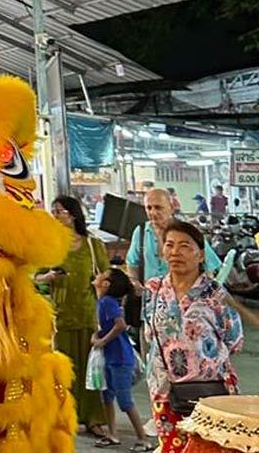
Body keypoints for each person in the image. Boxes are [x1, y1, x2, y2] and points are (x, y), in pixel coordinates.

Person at [145, 221, 244, 452]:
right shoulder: (153, 289)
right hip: (165, 390)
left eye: (184, 246)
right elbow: (150, 333)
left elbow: (234, 340)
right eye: (169, 245)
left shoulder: (215, 293)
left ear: (200, 255)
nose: (175, 252)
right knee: (173, 448)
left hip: (212, 391)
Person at [34, 194, 109, 438]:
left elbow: (106, 276)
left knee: (91, 369)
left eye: (59, 211)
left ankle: (94, 419)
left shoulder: (92, 245)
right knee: (63, 370)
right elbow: (34, 276)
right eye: (53, 211)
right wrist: (48, 278)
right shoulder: (50, 245)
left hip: (88, 314)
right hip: (61, 315)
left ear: (73, 215)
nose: (55, 216)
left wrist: (99, 284)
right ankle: (64, 419)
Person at [126, 188, 223, 345]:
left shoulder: (187, 233)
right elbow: (132, 263)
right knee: (153, 358)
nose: (152, 212)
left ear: (171, 207)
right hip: (152, 309)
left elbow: (210, 267)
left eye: (158, 207)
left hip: (186, 311)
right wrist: (134, 282)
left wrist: (206, 301)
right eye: (148, 208)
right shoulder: (141, 232)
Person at [90, 267, 155, 451]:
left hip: (119, 358)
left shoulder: (107, 302)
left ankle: (143, 439)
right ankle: (112, 434)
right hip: (112, 357)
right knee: (107, 396)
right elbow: (107, 326)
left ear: (106, 284)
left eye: (101, 275)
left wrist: (102, 340)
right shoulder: (104, 301)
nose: (97, 275)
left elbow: (120, 325)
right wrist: (97, 337)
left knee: (124, 400)